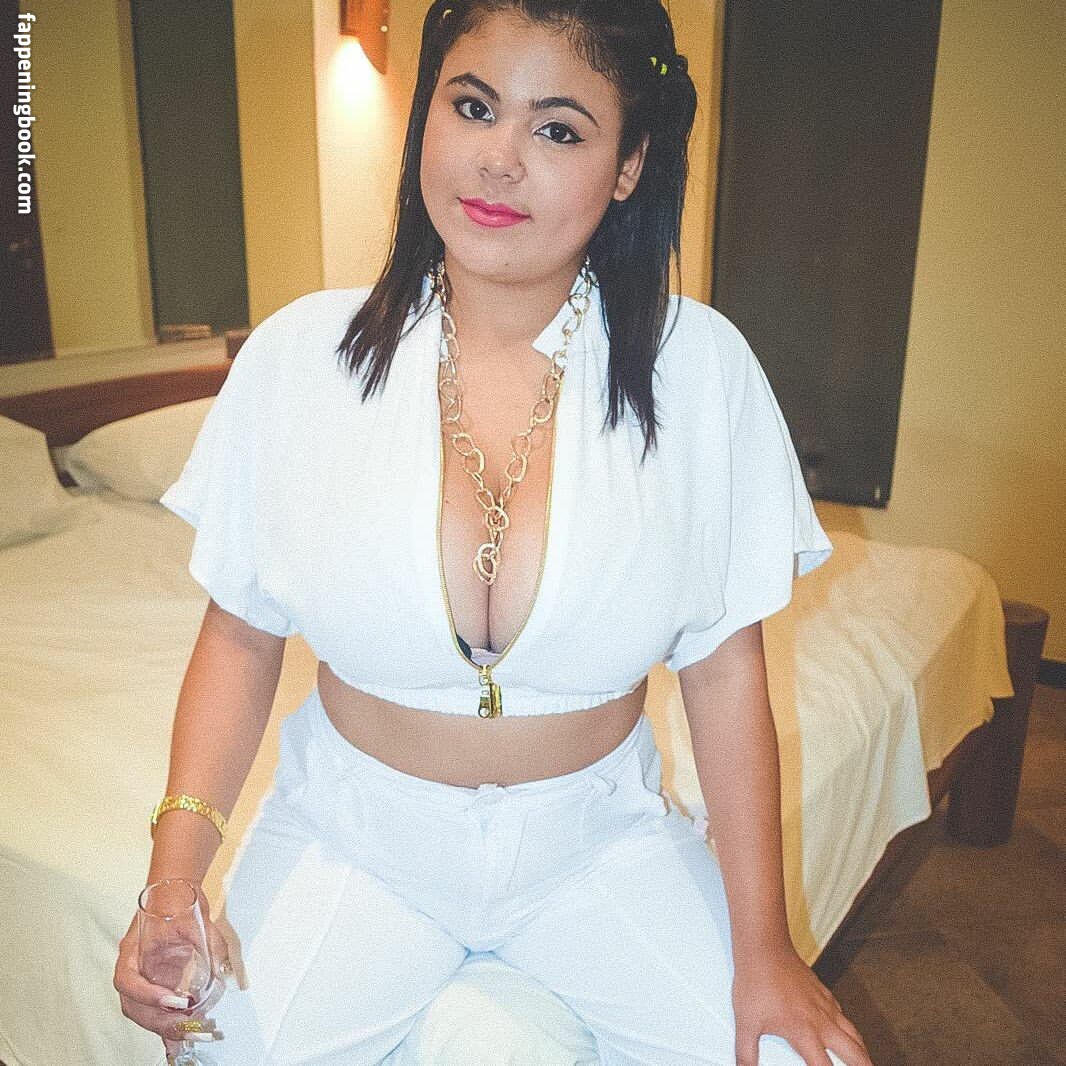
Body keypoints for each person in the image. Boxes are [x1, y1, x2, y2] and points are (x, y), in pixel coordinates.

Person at [114, 2, 872, 1064]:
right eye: (472, 106)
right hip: (356, 839)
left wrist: (766, 946)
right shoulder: (300, 360)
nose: (498, 158)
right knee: (213, 1049)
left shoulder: (699, 369)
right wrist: (173, 879)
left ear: (627, 166)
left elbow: (725, 670)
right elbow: (240, 640)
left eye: (557, 128)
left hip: (596, 843)